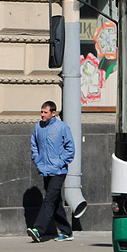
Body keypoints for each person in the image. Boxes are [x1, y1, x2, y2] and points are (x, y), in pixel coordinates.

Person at [27, 101, 76, 242]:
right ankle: (67, 232)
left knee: (49, 199)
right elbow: (34, 145)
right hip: (45, 170)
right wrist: (37, 160)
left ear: (53, 113)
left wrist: (59, 162)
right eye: (41, 112)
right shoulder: (38, 127)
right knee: (55, 201)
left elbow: (70, 149)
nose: (42, 115)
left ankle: (38, 229)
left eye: (45, 112)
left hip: (59, 171)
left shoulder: (62, 127)